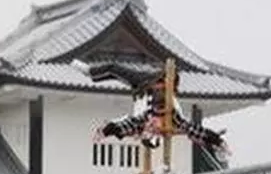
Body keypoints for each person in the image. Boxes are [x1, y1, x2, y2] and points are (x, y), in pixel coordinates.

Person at [70, 59, 229, 161]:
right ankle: (89, 71)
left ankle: (88, 72)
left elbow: (126, 125)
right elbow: (195, 130)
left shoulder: (143, 121)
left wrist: (106, 131)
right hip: (153, 81)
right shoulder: (174, 120)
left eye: (149, 131)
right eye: (153, 131)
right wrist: (217, 140)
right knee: (114, 68)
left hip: (142, 85)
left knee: (114, 68)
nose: (151, 127)